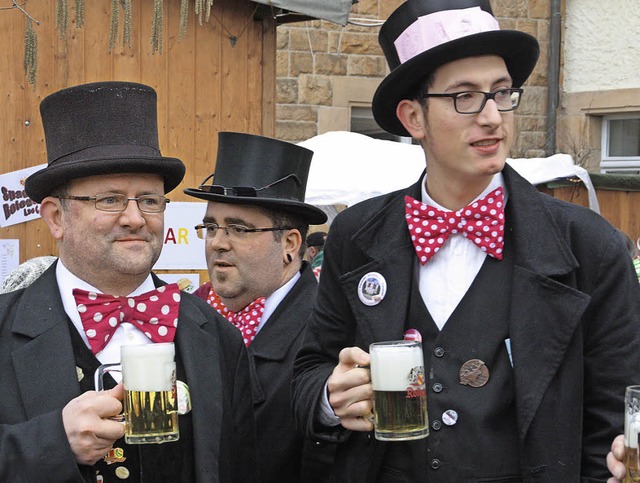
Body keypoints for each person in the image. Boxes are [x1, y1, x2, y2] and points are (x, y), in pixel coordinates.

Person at [291, 1, 640, 481]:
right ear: (414, 118)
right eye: (465, 96)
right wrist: (330, 399)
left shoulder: (590, 247)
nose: (494, 117)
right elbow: (308, 370)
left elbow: (616, 419)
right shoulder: (356, 236)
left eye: (501, 93)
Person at [0, 82, 257, 482]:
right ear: (56, 218)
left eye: (150, 200)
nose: (136, 218)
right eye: (110, 199)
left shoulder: (215, 334)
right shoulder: (3, 327)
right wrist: (51, 443)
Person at [185, 132, 335, 482]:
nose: (218, 243)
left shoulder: (330, 330)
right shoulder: (185, 315)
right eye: (211, 227)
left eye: (239, 229)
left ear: (290, 245)